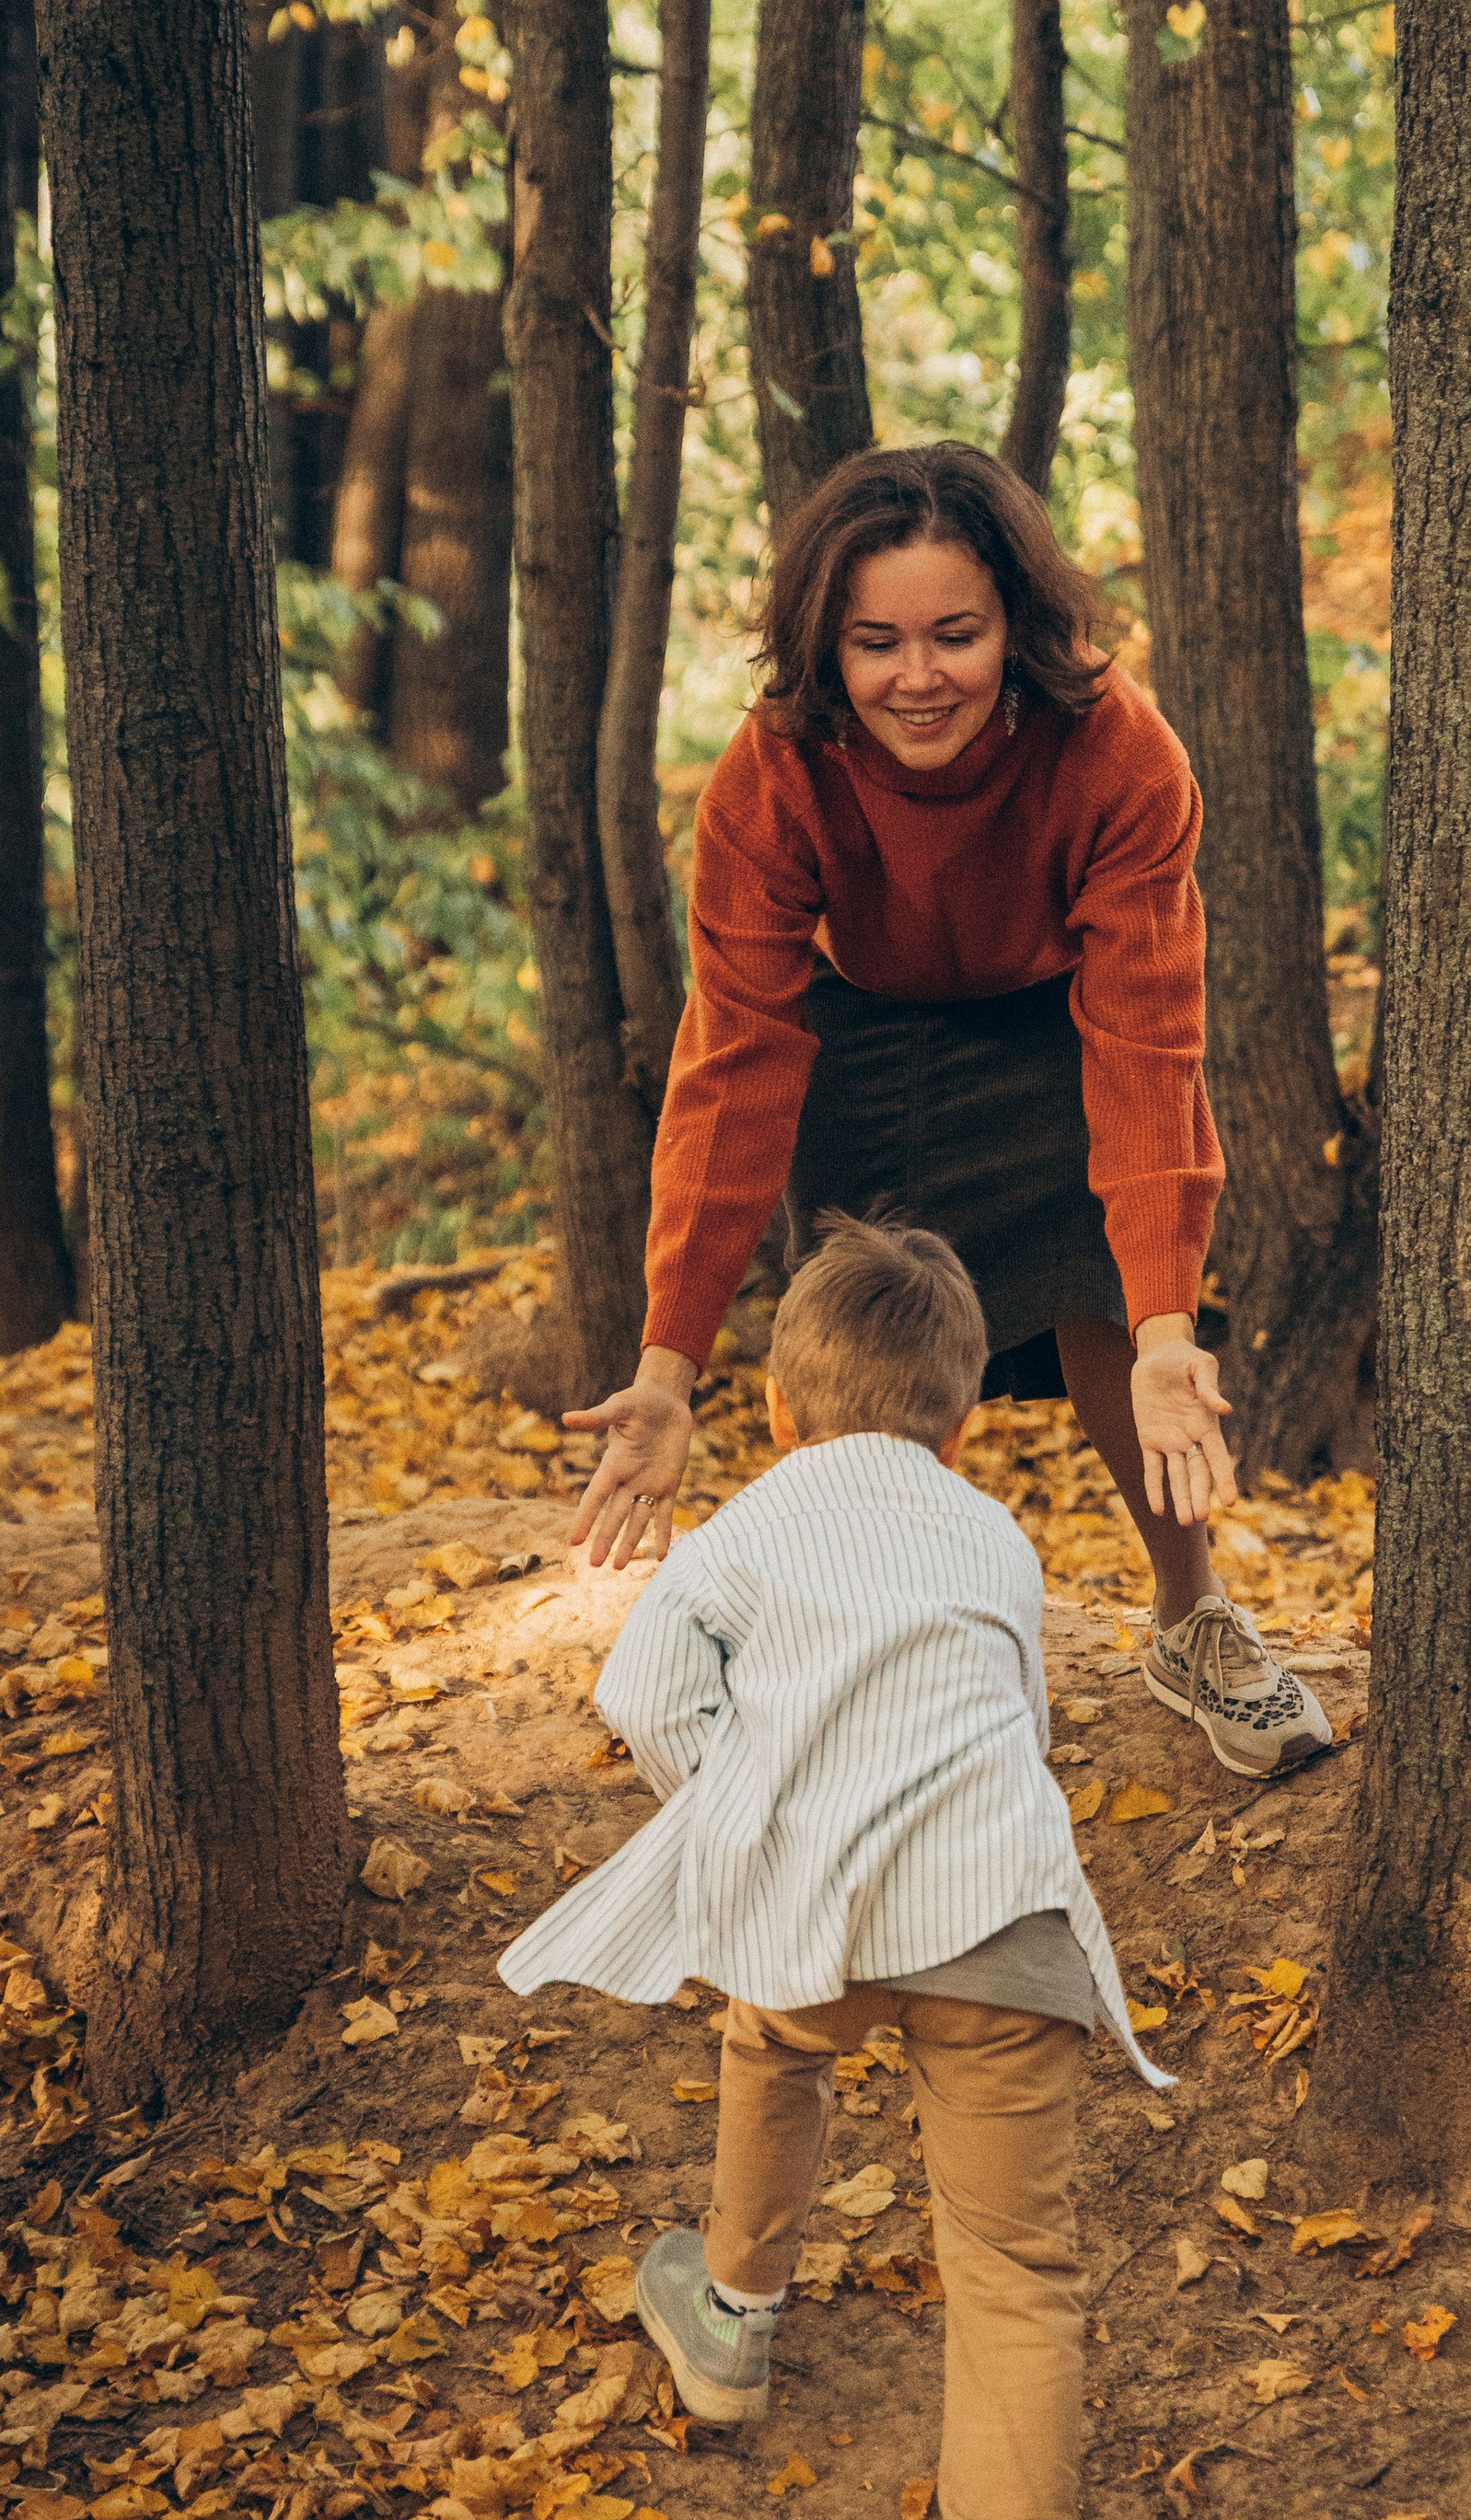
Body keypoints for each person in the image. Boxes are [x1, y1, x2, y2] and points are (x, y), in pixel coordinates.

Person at [564, 438, 1331, 1780]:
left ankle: (1192, 1615)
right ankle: (864, 1644)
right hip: (859, 1020)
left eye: (955, 634)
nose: (919, 677)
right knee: (857, 1323)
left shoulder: (1117, 753)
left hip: (1054, 1006)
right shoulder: (774, 774)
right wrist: (666, 1366)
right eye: (877, 643)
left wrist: (1165, 1322)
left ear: (1016, 629)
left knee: (1109, 1287)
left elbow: (1151, 1042)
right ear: (828, 650)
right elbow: (731, 1064)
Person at [500, 1216, 1171, 2520]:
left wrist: (746, 1800)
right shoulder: (995, 1533)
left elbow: (644, 1690)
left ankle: (734, 2311)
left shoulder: (741, 1530)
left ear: (781, 1410)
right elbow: (1023, 1715)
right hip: (999, 1913)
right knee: (1012, 2261)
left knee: (770, 2033)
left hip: (817, 1908)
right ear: (967, 1415)